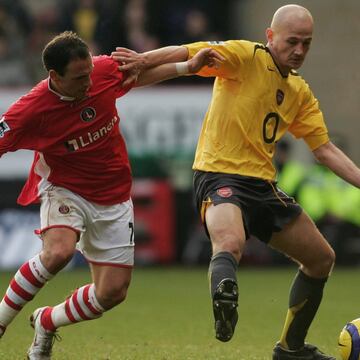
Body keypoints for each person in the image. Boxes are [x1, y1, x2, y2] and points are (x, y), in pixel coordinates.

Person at [112, 4, 360, 359]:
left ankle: (290, 350)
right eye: (293, 41)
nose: (300, 50)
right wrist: (143, 60)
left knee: (322, 258)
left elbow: (325, 150)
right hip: (219, 174)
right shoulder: (245, 56)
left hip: (262, 185)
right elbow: (190, 51)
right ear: (270, 37)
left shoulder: (300, 92)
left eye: (307, 43)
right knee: (229, 241)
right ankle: (224, 299)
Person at [0, 30, 222, 359]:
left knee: (112, 293)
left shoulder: (100, 70)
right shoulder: (29, 111)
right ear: (54, 76)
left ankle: (48, 321)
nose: (89, 83)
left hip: (114, 194)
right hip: (66, 189)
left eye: (89, 73)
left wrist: (189, 66)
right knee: (58, 253)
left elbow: (138, 71)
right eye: (79, 78)